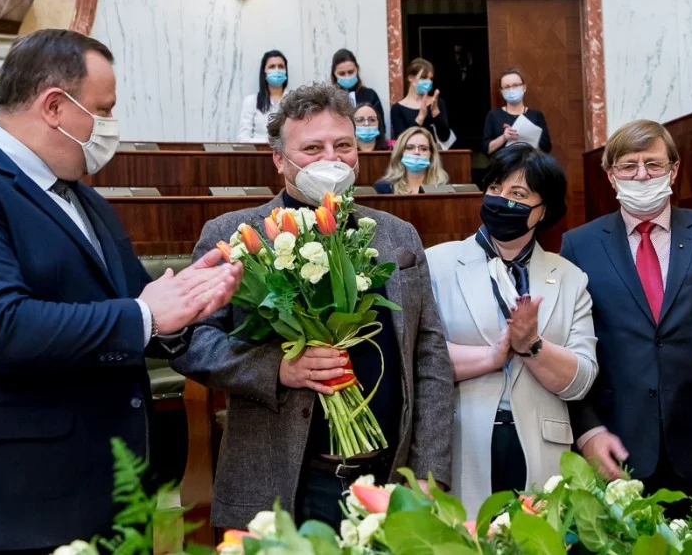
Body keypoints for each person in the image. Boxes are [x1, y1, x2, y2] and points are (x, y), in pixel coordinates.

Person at [0, 29, 243, 552]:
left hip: (105, 499)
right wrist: (147, 315)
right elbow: (1, 327)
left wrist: (186, 304)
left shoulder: (83, 197)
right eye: (103, 109)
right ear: (54, 106)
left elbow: (135, 306)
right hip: (6, 512)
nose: (111, 125)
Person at [171, 83, 453, 531]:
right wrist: (276, 369)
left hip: (388, 479)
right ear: (279, 159)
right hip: (284, 485)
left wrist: (428, 472)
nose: (331, 159)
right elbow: (190, 341)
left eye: (343, 146)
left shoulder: (397, 236)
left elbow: (430, 355)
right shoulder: (234, 236)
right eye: (312, 148)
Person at [560, 119, 692, 519]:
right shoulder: (579, 246)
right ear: (610, 176)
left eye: (653, 164)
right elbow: (571, 353)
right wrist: (587, 430)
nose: (642, 175)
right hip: (615, 451)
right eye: (628, 165)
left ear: (674, 170)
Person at [426, 144, 597, 514]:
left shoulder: (570, 277)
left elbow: (582, 378)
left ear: (543, 210)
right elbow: (420, 359)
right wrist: (492, 357)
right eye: (495, 188)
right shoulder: (436, 263)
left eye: (518, 194)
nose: (502, 200)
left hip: (541, 444)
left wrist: (532, 345)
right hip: (461, 438)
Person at [482, 67, 552, 154]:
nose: (511, 90)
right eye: (507, 87)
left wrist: (528, 137)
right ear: (501, 91)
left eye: (515, 85)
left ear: (524, 87)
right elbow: (486, 149)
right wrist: (504, 137)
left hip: (530, 161)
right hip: (503, 162)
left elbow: (546, 147)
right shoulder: (493, 115)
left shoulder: (536, 115)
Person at [391, 58, 451, 146]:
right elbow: (401, 141)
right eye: (423, 78)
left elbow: (445, 137)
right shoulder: (398, 108)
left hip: (433, 151)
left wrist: (436, 114)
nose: (428, 82)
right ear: (411, 78)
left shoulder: (437, 102)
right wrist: (420, 118)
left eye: (430, 78)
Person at [374, 126, 449, 194]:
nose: (416, 152)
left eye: (423, 149)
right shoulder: (383, 188)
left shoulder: (442, 188)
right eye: (410, 148)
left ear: (431, 155)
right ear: (400, 152)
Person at [236, 50, 289, 142]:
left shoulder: (296, 102)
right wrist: (267, 143)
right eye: (272, 67)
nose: (277, 70)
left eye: (280, 66)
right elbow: (242, 138)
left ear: (285, 71)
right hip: (259, 151)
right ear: (264, 71)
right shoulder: (251, 101)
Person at [332, 48, 385, 126]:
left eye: (350, 72)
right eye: (342, 73)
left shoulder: (370, 95)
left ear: (357, 70)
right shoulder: (330, 98)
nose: (347, 76)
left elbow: (381, 125)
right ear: (334, 74)